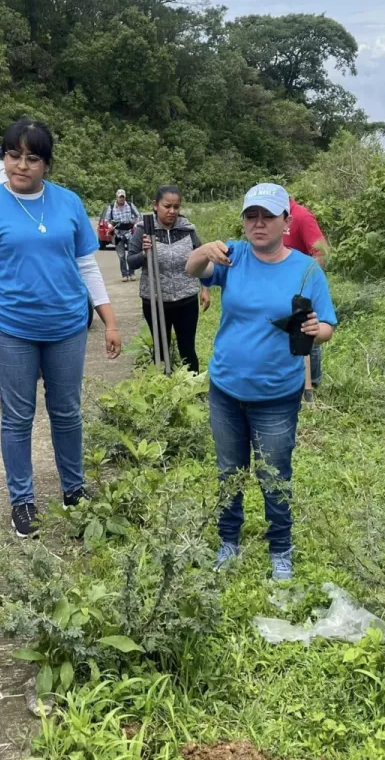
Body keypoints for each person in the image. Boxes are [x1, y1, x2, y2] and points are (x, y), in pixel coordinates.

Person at [0, 118, 123, 539]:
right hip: (11, 330)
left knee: (66, 412)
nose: (21, 165)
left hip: (66, 326)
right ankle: (23, 500)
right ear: (3, 158)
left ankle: (73, 490)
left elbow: (88, 266)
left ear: (46, 163)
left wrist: (110, 322)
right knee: (17, 416)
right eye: (13, 155)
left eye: (32, 158)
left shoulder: (67, 202)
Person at [186, 182, 336, 582]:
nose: (258, 223)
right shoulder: (232, 256)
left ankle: (280, 548)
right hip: (226, 389)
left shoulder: (305, 268)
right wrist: (202, 251)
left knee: (274, 473)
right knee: (229, 470)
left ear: (286, 221)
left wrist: (312, 328)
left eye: (268, 216)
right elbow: (193, 271)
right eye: (251, 215)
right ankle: (228, 540)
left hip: (277, 394)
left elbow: (327, 327)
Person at [128, 186, 210, 374]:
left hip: (186, 299)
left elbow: (202, 259)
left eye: (176, 206)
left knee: (187, 349)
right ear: (155, 205)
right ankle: (164, 389)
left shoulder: (187, 230)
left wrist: (205, 288)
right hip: (155, 301)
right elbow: (130, 262)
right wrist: (143, 253)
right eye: (167, 206)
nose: (172, 211)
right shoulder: (143, 230)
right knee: (160, 351)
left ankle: (192, 388)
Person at [283, 197, 329, 389]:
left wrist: (307, 279)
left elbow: (322, 251)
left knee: (309, 330)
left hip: (302, 284)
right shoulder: (274, 219)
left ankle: (313, 382)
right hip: (282, 285)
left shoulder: (301, 216)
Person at [109, 189, 140, 282]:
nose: (121, 199)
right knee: (121, 256)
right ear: (117, 197)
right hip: (118, 234)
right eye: (120, 197)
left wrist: (135, 224)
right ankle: (124, 274)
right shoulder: (111, 207)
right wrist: (110, 226)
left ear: (125, 197)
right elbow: (107, 219)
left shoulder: (130, 205)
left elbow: (138, 215)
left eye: (123, 197)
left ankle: (132, 273)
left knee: (131, 254)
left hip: (129, 232)